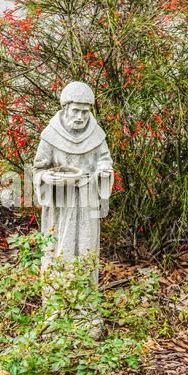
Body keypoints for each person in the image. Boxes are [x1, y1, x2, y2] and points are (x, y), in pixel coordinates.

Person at [33, 81, 114, 281]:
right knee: (59, 248)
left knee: (87, 248)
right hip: (60, 204)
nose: (80, 117)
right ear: (66, 108)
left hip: (87, 202)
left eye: (85, 112)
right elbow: (38, 168)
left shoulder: (96, 135)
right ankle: (58, 305)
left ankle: (85, 306)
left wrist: (104, 171)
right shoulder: (51, 135)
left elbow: (105, 160)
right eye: (76, 111)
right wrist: (45, 176)